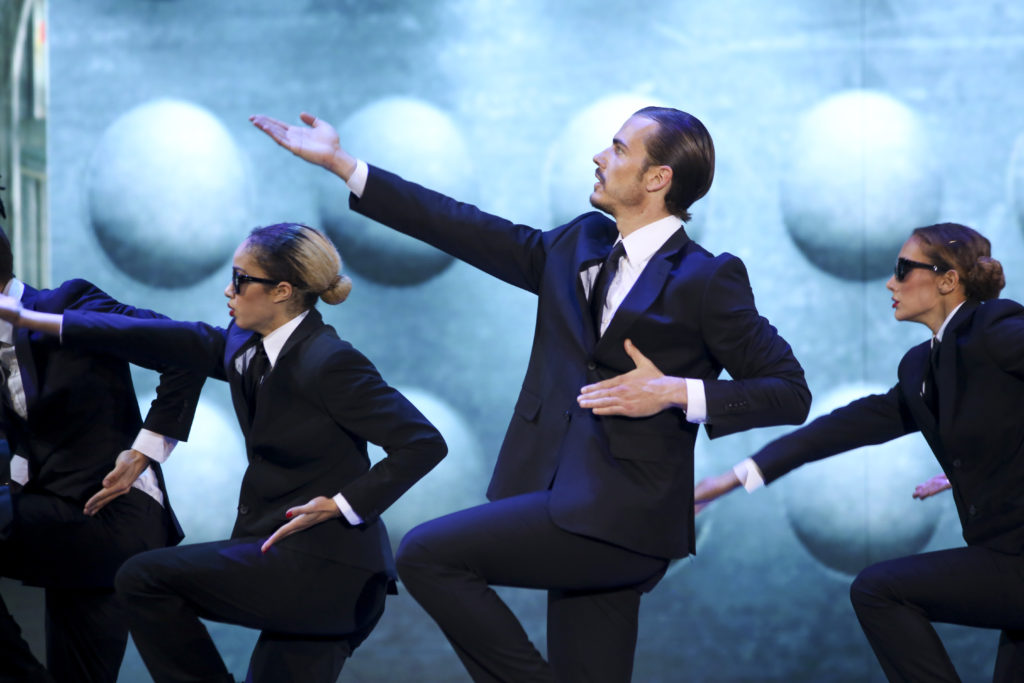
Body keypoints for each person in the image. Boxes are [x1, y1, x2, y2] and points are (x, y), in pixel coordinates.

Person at [250, 107, 811, 682]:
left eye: (618, 149)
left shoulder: (707, 278)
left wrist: (675, 392)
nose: (599, 157)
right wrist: (343, 165)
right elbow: (463, 226)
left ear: (657, 178)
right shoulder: (579, 241)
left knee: (427, 554)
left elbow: (790, 392)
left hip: (625, 517)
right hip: (562, 497)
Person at [0, 223, 447, 682]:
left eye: (240, 279)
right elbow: (155, 335)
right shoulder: (244, 346)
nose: (228, 290)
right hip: (291, 563)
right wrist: (39, 321)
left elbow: (422, 442)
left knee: (143, 579)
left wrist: (342, 504)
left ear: (282, 291)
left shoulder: (330, 361)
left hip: (332, 570)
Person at [694, 222, 1024, 682]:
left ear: (948, 280)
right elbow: (838, 430)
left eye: (903, 269)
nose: (890, 283)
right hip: (1000, 555)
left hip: (1013, 558)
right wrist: (737, 477)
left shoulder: (996, 327)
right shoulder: (921, 368)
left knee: (879, 590)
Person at [0, 223, 204, 680]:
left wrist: (143, 451)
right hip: (58, 517)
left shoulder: (69, 303)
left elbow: (184, 352)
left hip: (116, 516)